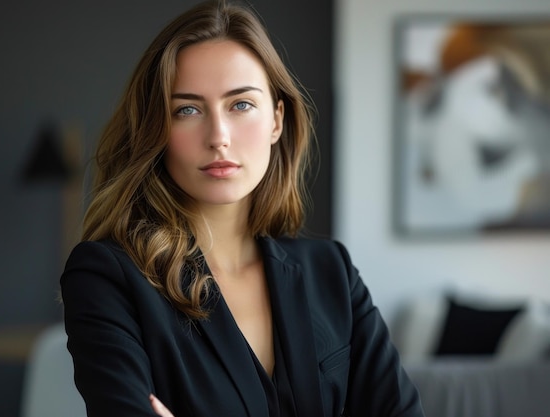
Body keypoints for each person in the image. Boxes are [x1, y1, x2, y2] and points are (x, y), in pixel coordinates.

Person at [60, 1, 425, 416]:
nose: (218, 136)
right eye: (187, 110)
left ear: (276, 119)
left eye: (241, 104)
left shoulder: (332, 272)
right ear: (156, 129)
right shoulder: (108, 277)